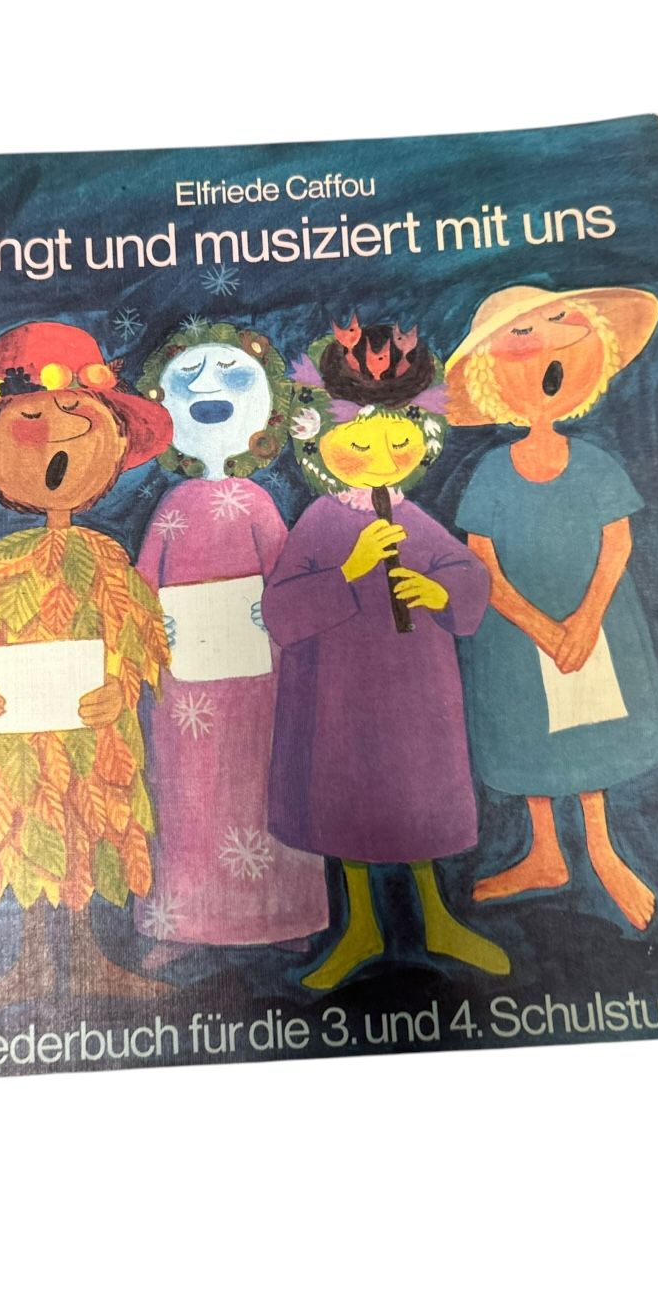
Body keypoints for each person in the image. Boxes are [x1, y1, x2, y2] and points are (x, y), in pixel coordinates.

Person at [0, 320, 173, 1016]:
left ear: (113, 441)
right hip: (20, 745)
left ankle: (91, 958)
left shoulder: (108, 564)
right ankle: (32, 963)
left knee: (92, 834)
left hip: (95, 739)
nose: (54, 436)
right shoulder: (2, 572)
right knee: (26, 833)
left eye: (73, 415)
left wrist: (120, 686)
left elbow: (141, 637)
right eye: (28, 420)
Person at [264, 319, 507, 991]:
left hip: (417, 694)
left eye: (398, 441)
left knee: (417, 798)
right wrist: (348, 572)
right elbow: (281, 611)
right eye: (360, 442)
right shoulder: (322, 521)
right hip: (339, 697)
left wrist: (437, 589)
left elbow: (467, 578)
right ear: (322, 443)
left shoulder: (413, 517)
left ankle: (437, 920)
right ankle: (362, 929)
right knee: (352, 803)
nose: (379, 455)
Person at [445, 286, 658, 931]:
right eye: (521, 344)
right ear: (491, 379)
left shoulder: (596, 465)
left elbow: (617, 543)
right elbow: (483, 565)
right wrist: (541, 628)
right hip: (519, 636)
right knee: (532, 735)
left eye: (558, 335)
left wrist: (587, 620)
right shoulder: (492, 473)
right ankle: (545, 852)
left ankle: (602, 851)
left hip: (595, 627)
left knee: (592, 730)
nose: (543, 358)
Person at [132, 320, 328, 956]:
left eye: (230, 378)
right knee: (186, 796)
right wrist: (153, 628)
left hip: (259, 680)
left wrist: (275, 620)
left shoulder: (257, 503)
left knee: (263, 785)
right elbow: (144, 587)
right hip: (183, 685)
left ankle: (281, 920)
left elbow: (286, 583)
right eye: (188, 379)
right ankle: (184, 922)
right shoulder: (173, 506)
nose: (207, 391)